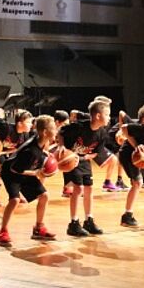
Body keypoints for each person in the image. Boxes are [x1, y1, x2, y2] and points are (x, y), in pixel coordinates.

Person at [0, 115, 59, 246]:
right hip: (11, 172)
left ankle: (38, 228)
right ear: (45, 132)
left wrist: (47, 156)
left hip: (26, 170)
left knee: (44, 196)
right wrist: (36, 172)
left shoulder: (43, 141)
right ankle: (2, 231)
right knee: (14, 200)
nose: (56, 131)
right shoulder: (30, 151)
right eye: (54, 128)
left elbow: (43, 152)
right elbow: (15, 170)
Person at [59, 100, 111, 237]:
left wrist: (84, 157)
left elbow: (95, 153)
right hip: (71, 161)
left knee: (89, 188)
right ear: (98, 116)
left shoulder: (102, 133)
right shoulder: (78, 127)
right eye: (107, 114)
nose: (110, 117)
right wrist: (62, 149)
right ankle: (73, 223)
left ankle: (89, 220)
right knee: (78, 189)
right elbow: (61, 132)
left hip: (83, 160)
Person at [0, 110, 33, 207]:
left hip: (4, 151)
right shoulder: (7, 127)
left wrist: (3, 152)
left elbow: (16, 149)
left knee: (15, 170)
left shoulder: (25, 135)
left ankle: (16, 194)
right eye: (28, 122)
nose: (31, 125)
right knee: (3, 170)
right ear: (20, 123)